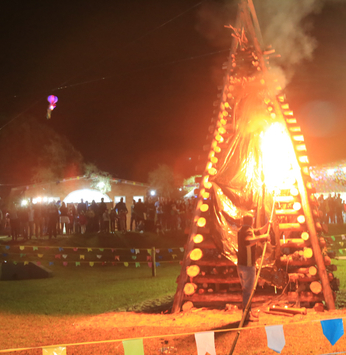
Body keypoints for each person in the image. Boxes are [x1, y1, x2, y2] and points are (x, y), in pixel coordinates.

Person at [237, 214, 270, 322]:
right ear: (252, 221)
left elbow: (259, 231)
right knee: (248, 292)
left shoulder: (244, 229)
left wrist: (268, 224)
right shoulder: (247, 231)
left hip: (241, 265)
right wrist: (263, 238)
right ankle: (246, 316)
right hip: (247, 266)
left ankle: (248, 312)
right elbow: (248, 242)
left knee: (246, 291)